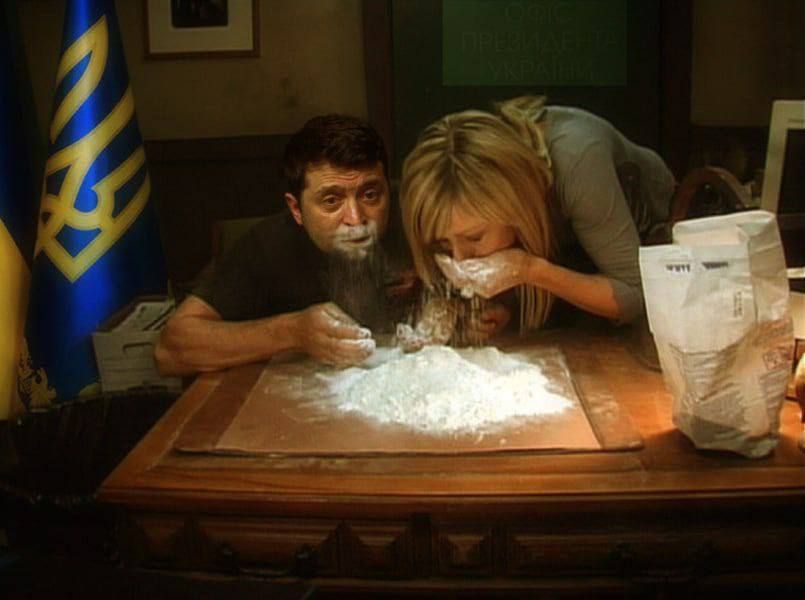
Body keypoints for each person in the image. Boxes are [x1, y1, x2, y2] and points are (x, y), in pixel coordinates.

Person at [399, 96, 676, 341]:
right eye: (444, 245)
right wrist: (507, 308)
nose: (460, 259)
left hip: (660, 243)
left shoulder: (578, 161)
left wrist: (529, 270)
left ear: (514, 208)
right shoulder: (505, 207)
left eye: (474, 237)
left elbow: (635, 296)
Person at [155, 114, 409, 375]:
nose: (355, 219)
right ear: (296, 209)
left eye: (370, 195)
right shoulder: (268, 244)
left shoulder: (416, 215)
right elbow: (169, 350)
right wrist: (293, 332)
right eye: (332, 201)